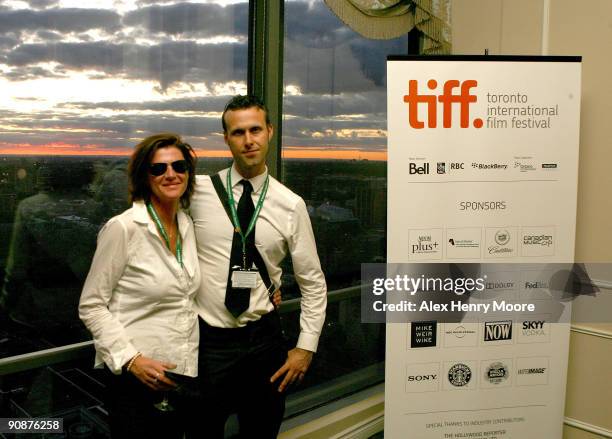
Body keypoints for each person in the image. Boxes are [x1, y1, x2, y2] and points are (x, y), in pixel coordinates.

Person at [189, 95, 327, 438]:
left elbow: (313, 283)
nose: (248, 140)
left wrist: (305, 347)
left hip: (263, 344)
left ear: (269, 132)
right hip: (208, 345)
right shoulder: (197, 193)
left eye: (255, 130)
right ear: (226, 139)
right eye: (238, 132)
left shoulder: (289, 204)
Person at [79, 133, 201, 438]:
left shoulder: (186, 224)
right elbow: (91, 305)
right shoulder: (124, 228)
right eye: (158, 169)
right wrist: (131, 360)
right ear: (144, 177)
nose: (171, 174)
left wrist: (266, 291)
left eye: (179, 166)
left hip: (180, 374)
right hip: (136, 379)